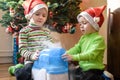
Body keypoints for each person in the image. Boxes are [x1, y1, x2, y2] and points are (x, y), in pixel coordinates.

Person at [8, 0, 54, 80]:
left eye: (44, 16)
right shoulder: (24, 31)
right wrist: (32, 56)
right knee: (24, 74)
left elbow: (51, 46)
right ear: (29, 15)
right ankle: (16, 69)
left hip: (45, 61)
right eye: (37, 14)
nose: (41, 17)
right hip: (31, 61)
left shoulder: (47, 32)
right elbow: (22, 49)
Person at [62, 5, 106, 80]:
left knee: (88, 78)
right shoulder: (83, 38)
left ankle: (104, 76)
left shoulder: (98, 39)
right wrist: (66, 53)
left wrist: (74, 57)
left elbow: (90, 55)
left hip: (94, 69)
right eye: (80, 24)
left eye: (84, 23)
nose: (81, 26)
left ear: (94, 25)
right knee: (71, 74)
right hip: (83, 67)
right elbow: (77, 48)